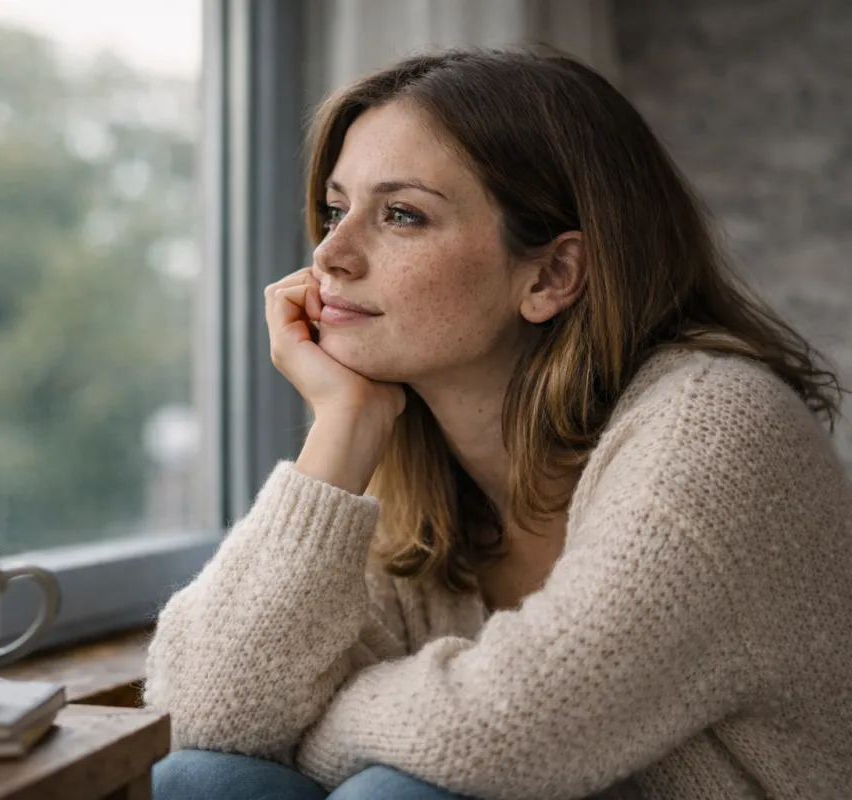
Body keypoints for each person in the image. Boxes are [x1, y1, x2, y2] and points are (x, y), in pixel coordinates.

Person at [143, 48, 852, 800]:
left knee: (394, 798)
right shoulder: (414, 473)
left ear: (550, 276)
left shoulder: (719, 427)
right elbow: (203, 714)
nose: (330, 255)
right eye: (334, 210)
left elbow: (510, 728)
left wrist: (315, 720)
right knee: (202, 779)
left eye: (402, 214)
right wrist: (343, 427)